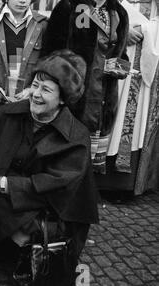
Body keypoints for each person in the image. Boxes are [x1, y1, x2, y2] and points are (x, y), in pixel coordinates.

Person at [0, 50, 99, 276]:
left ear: (63, 98)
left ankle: (25, 246)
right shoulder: (7, 114)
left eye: (46, 90)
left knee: (30, 230)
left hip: (49, 206)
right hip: (4, 195)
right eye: (34, 85)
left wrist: (7, 184)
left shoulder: (76, 136)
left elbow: (60, 187)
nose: (35, 94)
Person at [40, 0, 129, 174]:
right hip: (73, 99)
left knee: (87, 163)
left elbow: (122, 54)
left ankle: (84, 195)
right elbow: (51, 53)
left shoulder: (119, 12)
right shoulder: (68, 6)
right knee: (62, 159)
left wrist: (120, 67)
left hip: (103, 98)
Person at [0, 0, 48, 112]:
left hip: (27, 105)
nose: (23, 1)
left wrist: (32, 90)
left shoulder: (42, 25)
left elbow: (46, 64)